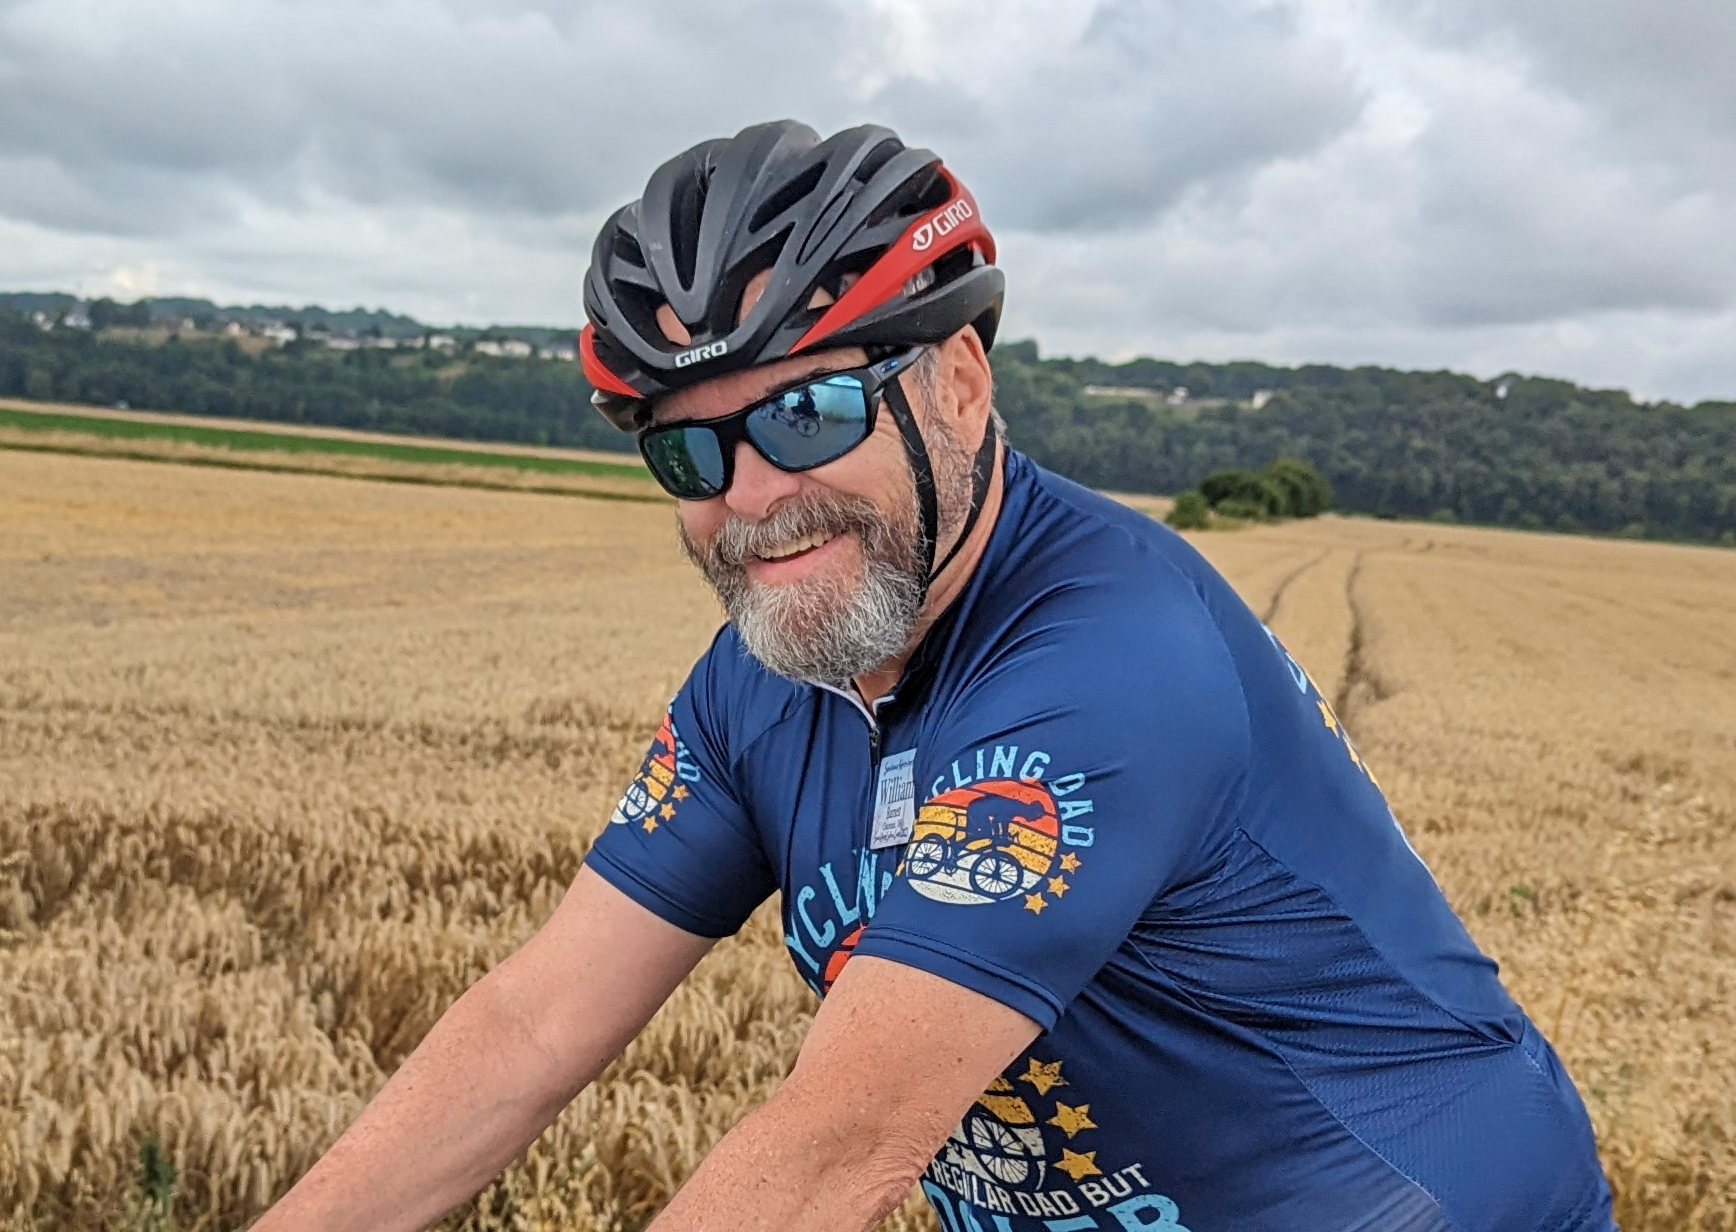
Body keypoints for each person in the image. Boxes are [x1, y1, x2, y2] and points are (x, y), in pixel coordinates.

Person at [256, 121, 1615, 1232]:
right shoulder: (765, 678)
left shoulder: (1104, 660)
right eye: (689, 452)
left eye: (807, 409)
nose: (754, 497)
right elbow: (533, 1024)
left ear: (958, 382)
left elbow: (834, 1151)